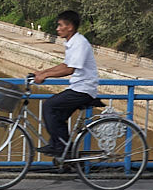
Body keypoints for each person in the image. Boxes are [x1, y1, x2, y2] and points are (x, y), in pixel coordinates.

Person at [28, 9, 101, 160]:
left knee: (49, 106)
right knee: (57, 117)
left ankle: (61, 148)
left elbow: (70, 69)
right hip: (77, 87)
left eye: (60, 25)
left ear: (70, 27)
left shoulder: (80, 43)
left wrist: (45, 75)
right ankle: (66, 154)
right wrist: (41, 72)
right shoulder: (72, 43)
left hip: (83, 89)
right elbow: (65, 64)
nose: (57, 29)